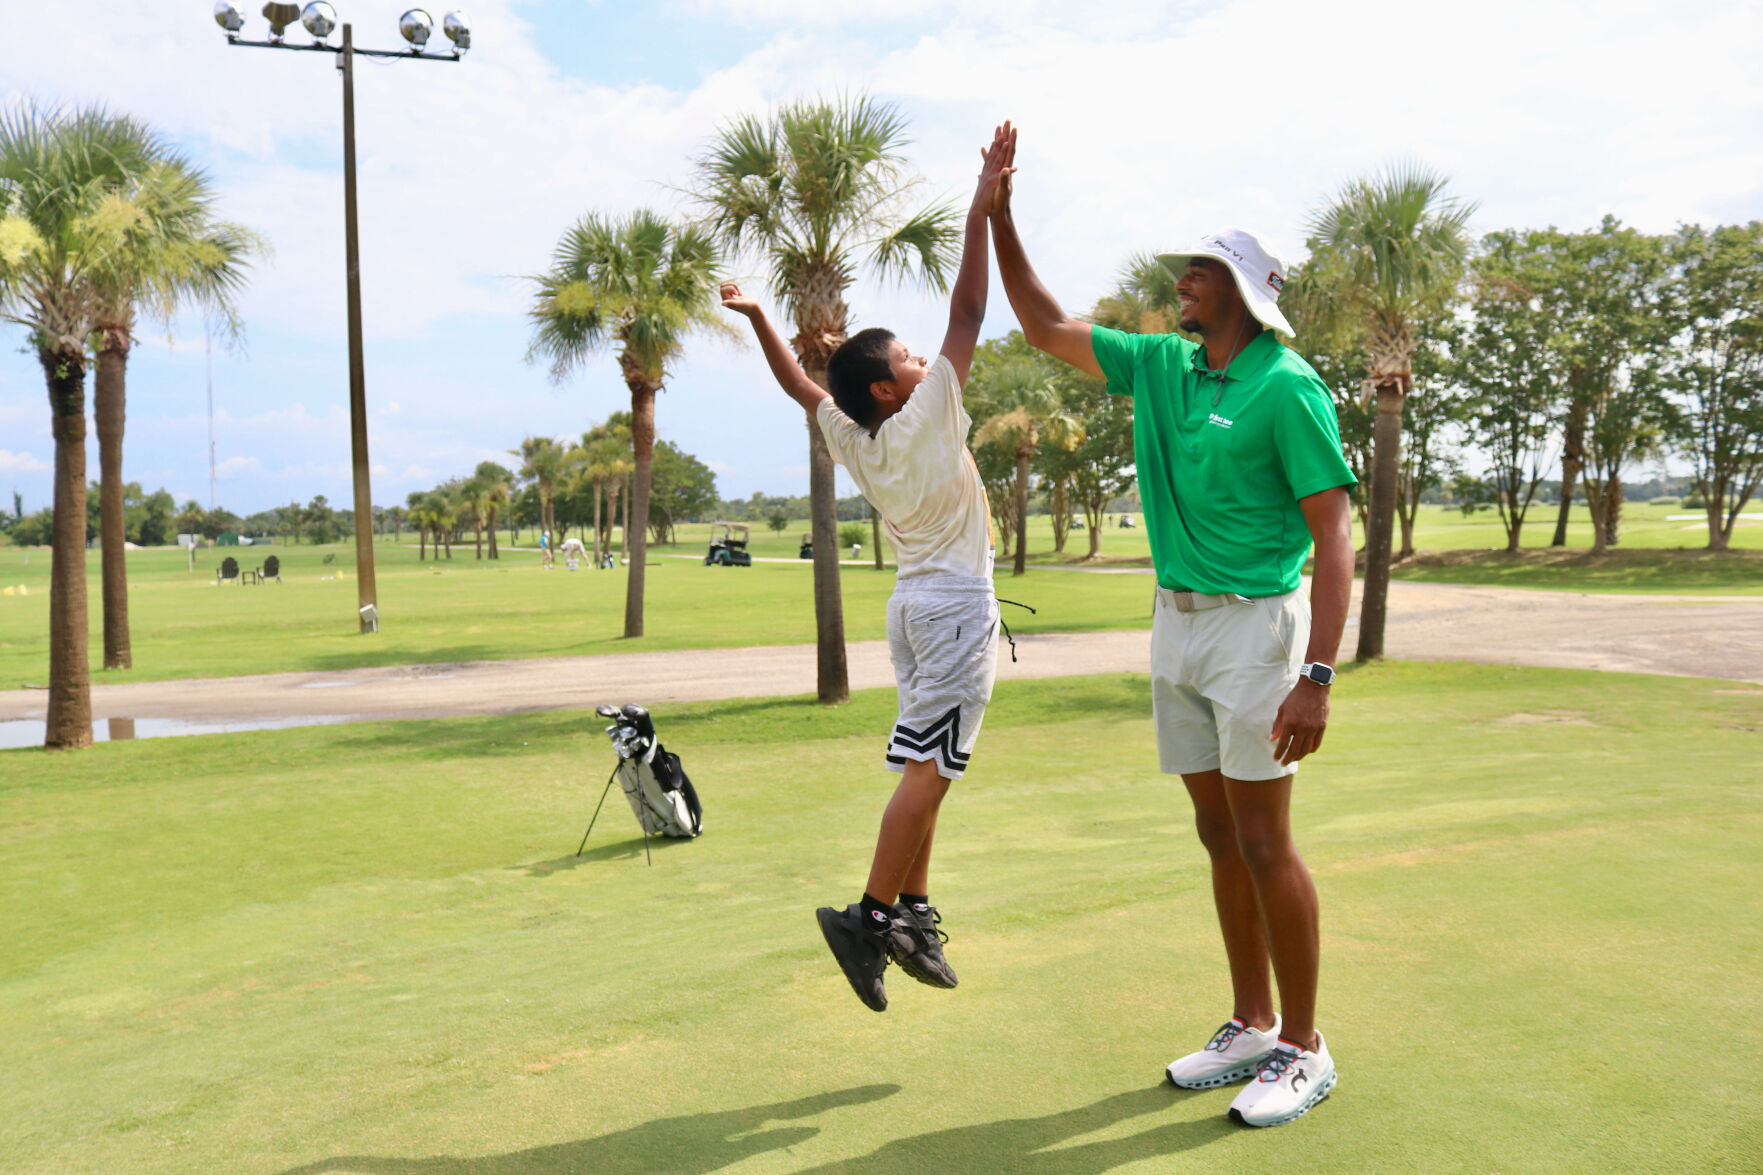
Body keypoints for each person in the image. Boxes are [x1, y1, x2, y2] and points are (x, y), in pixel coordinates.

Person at [988, 127, 1357, 1128]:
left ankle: (1303, 1044)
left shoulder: (1288, 387)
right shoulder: (1160, 365)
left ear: (1238, 288)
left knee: (1263, 838)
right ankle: (1248, 1017)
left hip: (1256, 630)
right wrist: (997, 215)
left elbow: (1332, 541)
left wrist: (1316, 672)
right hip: (1176, 623)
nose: (1182, 283)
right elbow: (1039, 325)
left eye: (1197, 270)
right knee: (1213, 832)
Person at [719, 124, 1015, 1014]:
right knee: (932, 769)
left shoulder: (855, 435)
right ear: (891, 389)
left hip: (911, 608)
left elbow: (802, 388)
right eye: (910, 362)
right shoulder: (925, 417)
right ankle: (871, 914)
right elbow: (967, 314)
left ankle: (911, 910)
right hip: (956, 607)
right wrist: (978, 211)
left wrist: (764, 317)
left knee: (926, 764)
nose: (927, 363)